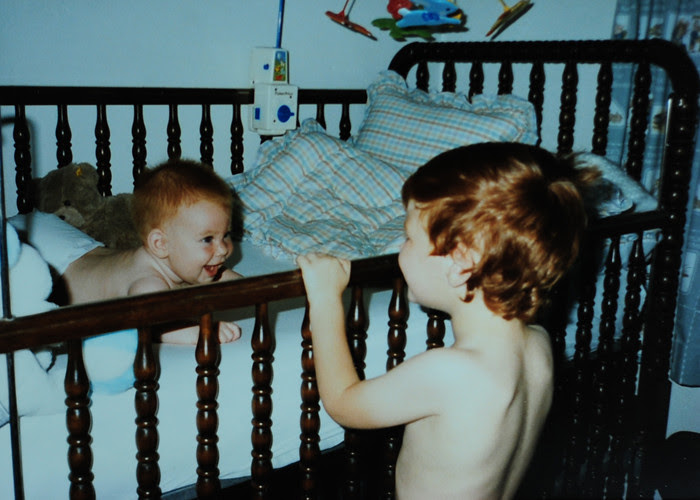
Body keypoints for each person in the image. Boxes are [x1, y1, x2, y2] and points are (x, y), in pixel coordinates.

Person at [297, 142, 597, 499]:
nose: (399, 248)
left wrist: (325, 299)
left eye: (409, 237)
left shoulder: (450, 371)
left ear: (460, 264)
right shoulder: (539, 346)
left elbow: (344, 403)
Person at [63, 158, 243, 344]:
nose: (222, 249)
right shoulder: (148, 282)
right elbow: (152, 326)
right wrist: (202, 331)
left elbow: (230, 281)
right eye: (207, 239)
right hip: (61, 267)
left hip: (87, 249)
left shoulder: (181, 263)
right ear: (161, 244)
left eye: (226, 235)